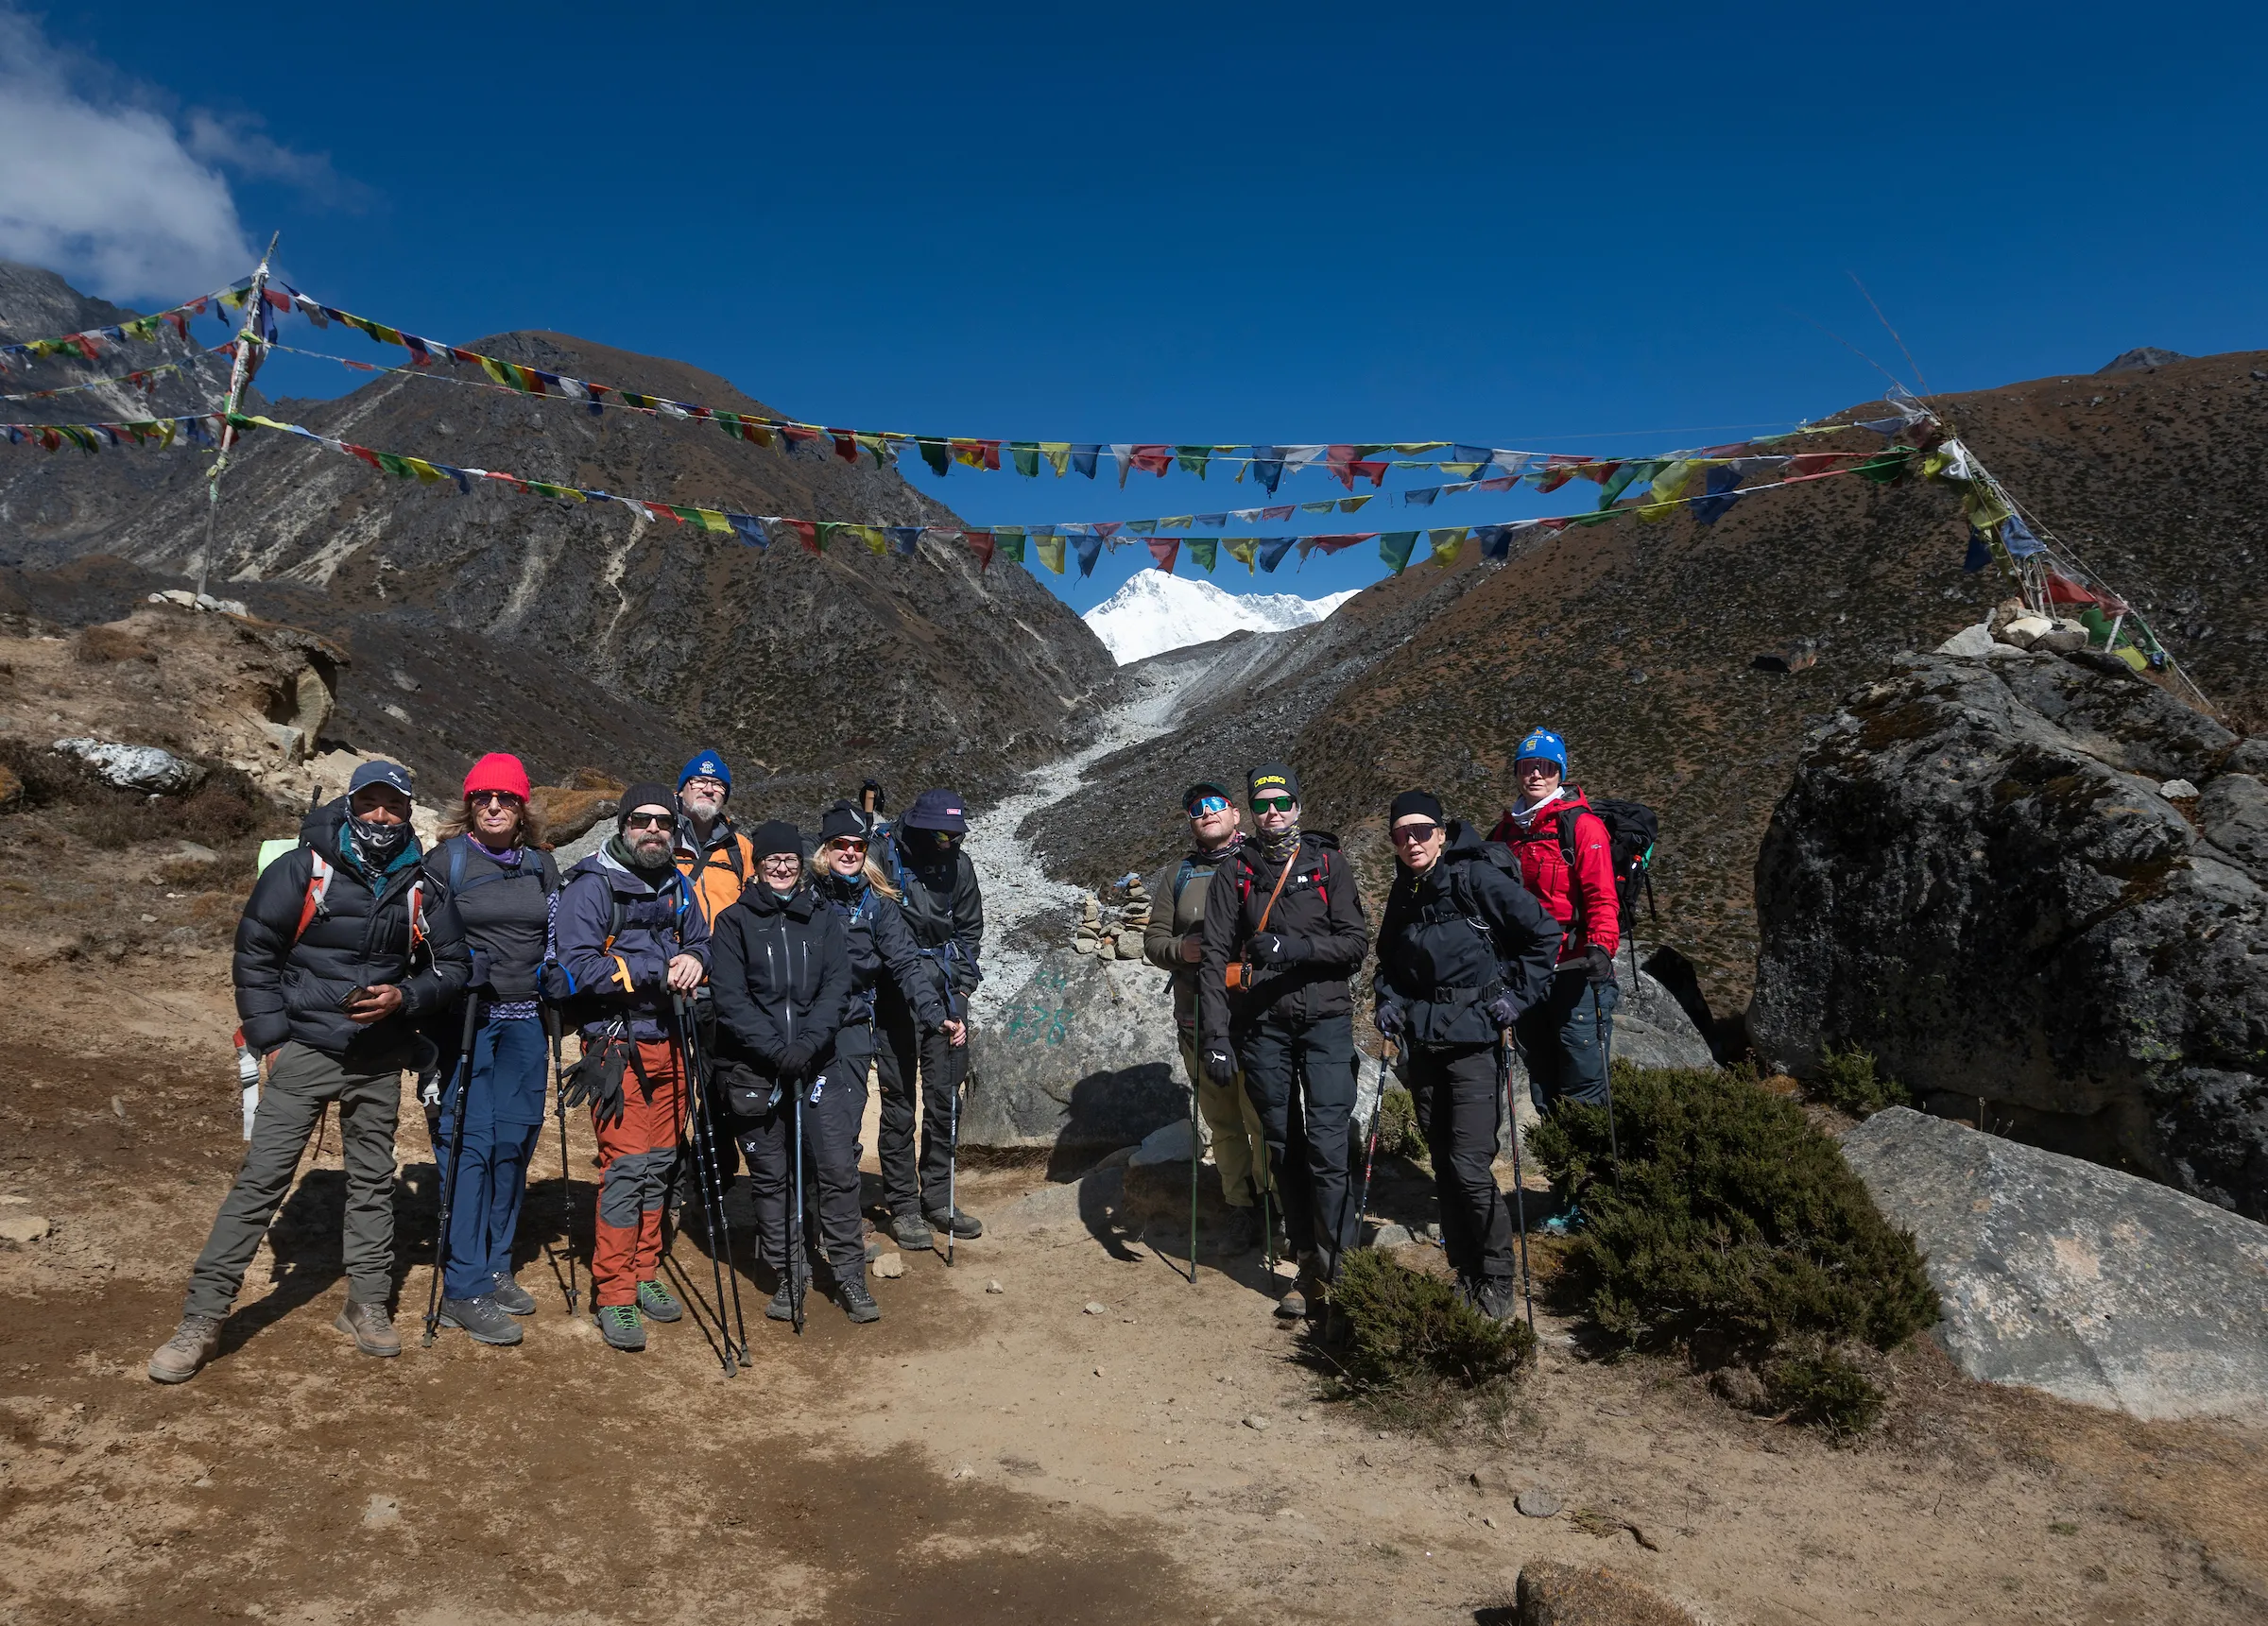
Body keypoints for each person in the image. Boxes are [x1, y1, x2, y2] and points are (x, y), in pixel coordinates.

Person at [149, 762, 472, 1383]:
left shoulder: (423, 885)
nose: (381, 816)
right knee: (260, 1184)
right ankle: (201, 1317)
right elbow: (255, 954)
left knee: (374, 1184)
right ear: (352, 803)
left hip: (378, 1059)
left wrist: (406, 998)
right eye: (371, 803)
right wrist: (273, 1041)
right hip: (306, 1051)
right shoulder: (302, 869)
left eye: (393, 806)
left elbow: (454, 966)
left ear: (409, 812)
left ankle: (367, 1304)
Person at [1371, 790, 1562, 1319]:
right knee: (1444, 1164)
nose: (1410, 841)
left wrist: (1518, 998)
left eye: (1420, 831)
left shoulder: (1475, 879)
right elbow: (1390, 964)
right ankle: (1466, 1271)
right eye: (1400, 833)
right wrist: (1386, 1002)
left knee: (1470, 1165)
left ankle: (1497, 1279)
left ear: (1440, 832)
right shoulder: (1402, 893)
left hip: (1477, 1043)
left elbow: (1544, 934)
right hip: (1426, 1045)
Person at [1198, 763, 1368, 1322]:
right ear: (1253, 811)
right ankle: (1305, 1260)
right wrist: (1216, 1037)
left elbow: (1353, 946)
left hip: (1325, 1022)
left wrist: (1291, 949)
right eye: (1264, 805)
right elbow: (1214, 960)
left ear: (1298, 807)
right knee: (1283, 1145)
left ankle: (1337, 1265)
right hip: (1262, 1027)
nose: (1274, 813)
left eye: (1283, 803)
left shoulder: (1329, 866)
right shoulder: (1236, 874)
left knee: (1326, 1144)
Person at [551, 783, 711, 1353]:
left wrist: (695, 956)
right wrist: (658, 970)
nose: (653, 831)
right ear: (622, 826)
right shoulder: (590, 888)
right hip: (616, 1049)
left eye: (663, 823)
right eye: (642, 821)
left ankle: (645, 1270)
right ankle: (614, 1293)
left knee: (661, 1165)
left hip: (673, 1044)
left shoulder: (679, 885)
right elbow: (575, 968)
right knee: (625, 1169)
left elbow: (702, 942)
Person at [421, 752, 560, 1346]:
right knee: (466, 1147)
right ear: (469, 805)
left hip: (525, 1023)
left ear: (522, 807)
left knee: (514, 1142)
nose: (495, 806)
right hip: (466, 1024)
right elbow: (420, 939)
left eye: (506, 798)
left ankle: (497, 1263)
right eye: (484, 798)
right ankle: (464, 1285)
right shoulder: (445, 863)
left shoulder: (542, 867)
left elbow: (555, 936)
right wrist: (455, 970)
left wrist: (559, 976)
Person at [711, 822, 863, 1321]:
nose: (781, 867)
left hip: (819, 1065)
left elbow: (837, 987)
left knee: (838, 1170)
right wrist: (778, 1051)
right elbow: (731, 999)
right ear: (757, 868)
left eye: (790, 861)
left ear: (801, 866)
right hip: (756, 1071)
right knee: (772, 1179)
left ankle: (849, 1275)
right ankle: (789, 1274)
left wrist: (809, 1045)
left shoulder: (821, 919)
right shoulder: (733, 923)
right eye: (772, 860)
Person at [1143, 779, 1270, 1253]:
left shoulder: (1263, 862)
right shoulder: (1178, 874)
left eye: (1216, 805)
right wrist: (1182, 948)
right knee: (1224, 1120)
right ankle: (1242, 1206)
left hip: (1257, 1013)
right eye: (1196, 809)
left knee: (1265, 1115)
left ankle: (1276, 1200)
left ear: (1236, 814)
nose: (1207, 812)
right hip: (1196, 1013)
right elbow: (1154, 939)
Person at [1486, 729, 1621, 1116]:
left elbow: (1601, 896)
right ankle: (1560, 1169)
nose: (1536, 775)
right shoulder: (1506, 832)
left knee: (1584, 1080)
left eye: (1546, 766)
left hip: (1575, 967)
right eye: (1527, 767)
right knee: (1542, 1078)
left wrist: (1601, 947)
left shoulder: (1581, 827)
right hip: (1528, 972)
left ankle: (1587, 1171)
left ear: (1560, 771)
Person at [874, 788, 981, 1251]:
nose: (948, 843)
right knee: (898, 1103)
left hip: (944, 991)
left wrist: (959, 989)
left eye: (954, 835)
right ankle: (904, 1206)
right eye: (940, 834)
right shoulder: (879, 853)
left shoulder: (958, 862)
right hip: (892, 996)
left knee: (944, 1099)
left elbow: (970, 930)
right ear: (916, 825)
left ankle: (939, 1197)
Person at [672, 750, 754, 1206]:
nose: (708, 790)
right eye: (700, 783)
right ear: (682, 788)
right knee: (670, 1088)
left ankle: (712, 1178)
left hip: (720, 990)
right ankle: (669, 1175)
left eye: (718, 786)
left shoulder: (742, 850)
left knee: (719, 1086)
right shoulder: (659, 834)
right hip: (667, 985)